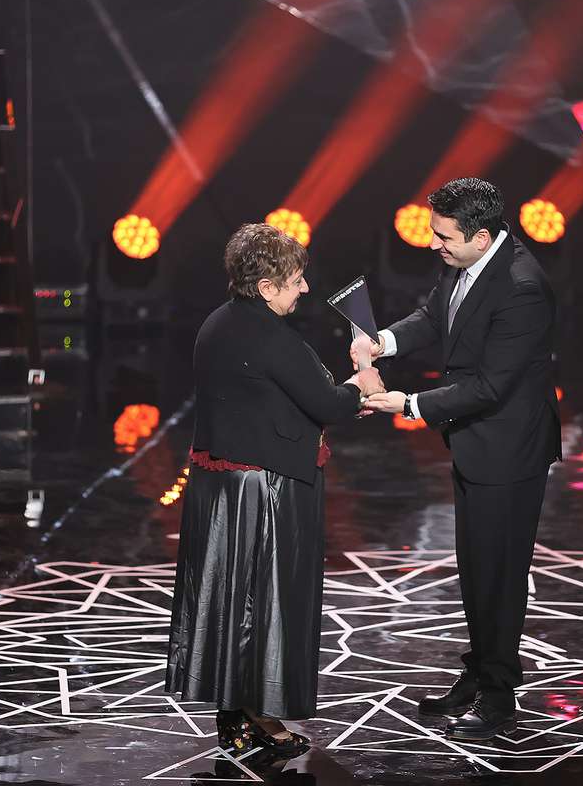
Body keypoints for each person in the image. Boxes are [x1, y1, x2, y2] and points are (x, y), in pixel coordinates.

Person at [166, 223, 384, 758]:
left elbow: (277, 398)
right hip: (265, 491)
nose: (305, 288)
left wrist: (346, 391)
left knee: (232, 603)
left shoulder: (218, 322)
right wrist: (361, 380)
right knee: (265, 605)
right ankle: (259, 715)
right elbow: (327, 403)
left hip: (223, 489)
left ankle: (236, 714)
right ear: (266, 287)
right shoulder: (272, 337)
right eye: (296, 279)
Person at [360, 177, 561, 741]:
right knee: (476, 569)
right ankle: (479, 673)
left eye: (444, 237)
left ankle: (498, 693)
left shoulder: (522, 287)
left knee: (500, 573)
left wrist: (408, 404)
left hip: (509, 449)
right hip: (476, 443)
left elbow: (491, 386)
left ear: (481, 236)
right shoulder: (464, 261)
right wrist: (382, 342)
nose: (433, 245)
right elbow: (434, 317)